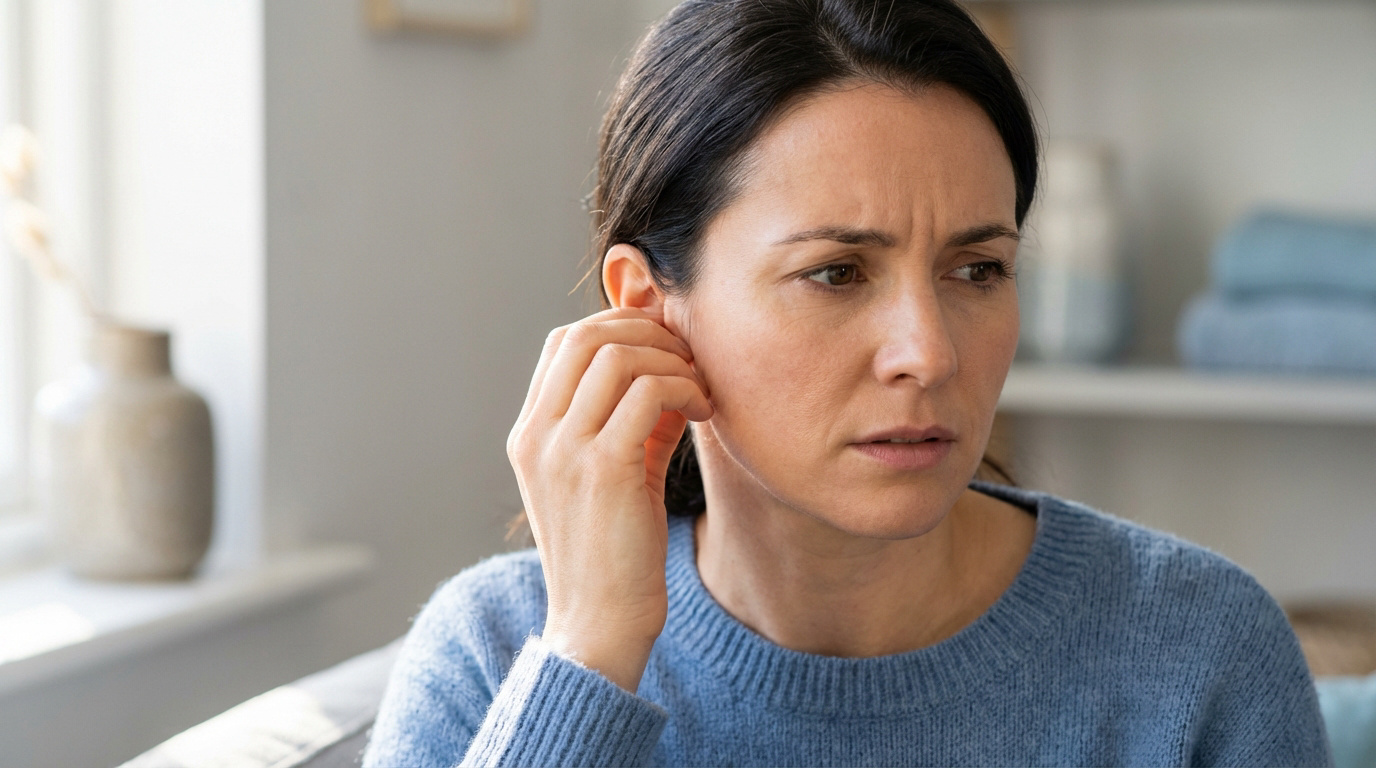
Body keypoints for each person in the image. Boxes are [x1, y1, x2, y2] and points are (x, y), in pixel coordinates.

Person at [362, 1, 1333, 765]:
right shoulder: (497, 651)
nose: (928, 352)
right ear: (650, 308)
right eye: (834, 273)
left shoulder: (1197, 648)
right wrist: (589, 655)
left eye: (976, 269)